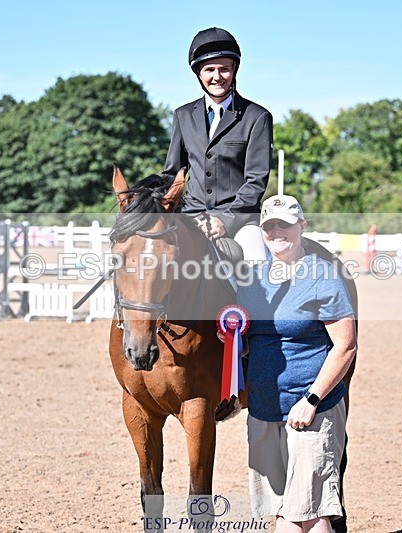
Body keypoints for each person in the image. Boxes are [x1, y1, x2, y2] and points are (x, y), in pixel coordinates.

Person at [236, 195, 357, 532]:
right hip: (263, 410)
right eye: (269, 226)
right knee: (287, 512)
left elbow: (346, 346)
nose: (277, 232)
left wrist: (312, 399)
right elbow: (254, 342)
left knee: (305, 515)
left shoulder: (323, 276)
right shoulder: (252, 280)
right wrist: (234, 342)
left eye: (285, 224)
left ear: (302, 226)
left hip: (310, 411)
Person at [162, 27, 273, 262]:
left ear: (234, 70)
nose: (217, 76)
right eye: (209, 70)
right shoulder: (183, 115)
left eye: (224, 69)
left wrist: (226, 220)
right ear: (198, 74)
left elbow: (256, 181)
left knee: (256, 262)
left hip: (240, 221)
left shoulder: (257, 117)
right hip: (190, 217)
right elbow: (173, 174)